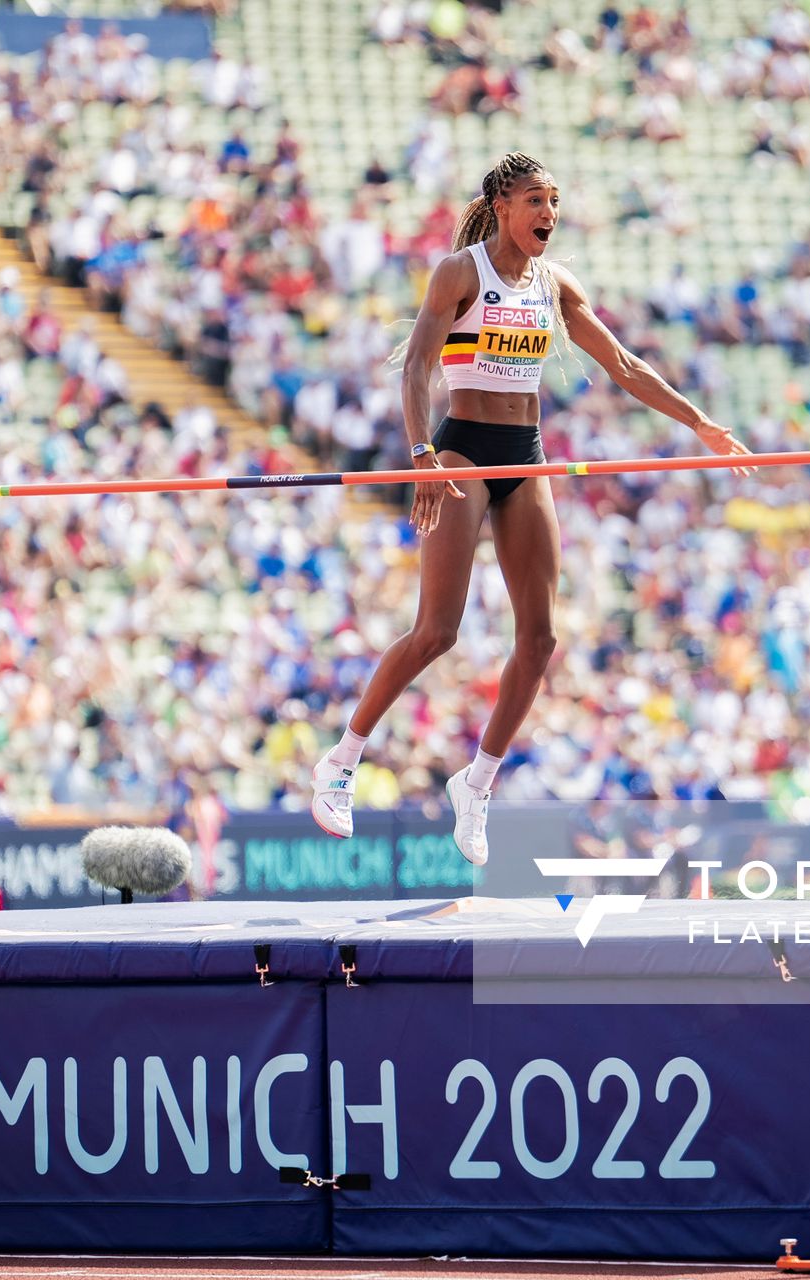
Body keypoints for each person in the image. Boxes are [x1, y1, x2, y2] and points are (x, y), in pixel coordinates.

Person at [308, 152, 753, 864]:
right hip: (461, 452)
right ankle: (341, 760)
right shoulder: (461, 272)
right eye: (536, 200)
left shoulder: (554, 282)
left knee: (540, 641)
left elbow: (626, 366)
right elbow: (419, 365)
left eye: (555, 199)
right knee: (437, 632)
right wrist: (421, 453)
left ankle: (477, 783)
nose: (549, 213)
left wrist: (700, 424)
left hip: (526, 453)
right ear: (503, 205)